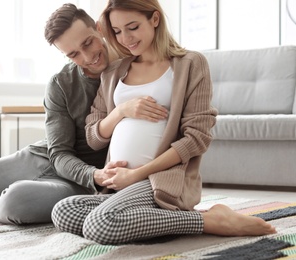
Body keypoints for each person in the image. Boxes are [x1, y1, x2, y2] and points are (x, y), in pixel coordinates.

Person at [51, 0, 276, 245]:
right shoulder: (114, 72)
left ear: (155, 19)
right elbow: (93, 138)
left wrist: (137, 174)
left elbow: (196, 139)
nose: (125, 38)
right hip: (119, 184)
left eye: (133, 27)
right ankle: (153, 216)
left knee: (100, 226)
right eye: (117, 31)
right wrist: (122, 111)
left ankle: (210, 222)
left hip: (158, 179)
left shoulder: (190, 63)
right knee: (63, 211)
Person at [0, 3, 124, 225]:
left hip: (80, 181)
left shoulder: (133, 70)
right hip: (41, 158)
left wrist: (94, 176)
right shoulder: (60, 83)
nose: (88, 57)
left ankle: (4, 196)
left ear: (99, 29)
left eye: (88, 43)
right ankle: (3, 193)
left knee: (13, 205)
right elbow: (59, 154)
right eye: (73, 54)